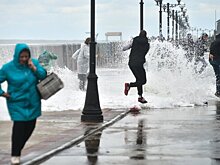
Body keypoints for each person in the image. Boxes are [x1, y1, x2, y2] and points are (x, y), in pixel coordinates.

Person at [0, 43, 47, 164]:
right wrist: (3, 93)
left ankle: (17, 149)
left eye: (26, 56)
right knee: (19, 128)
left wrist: (33, 68)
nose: (24, 59)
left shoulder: (34, 63)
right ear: (16, 56)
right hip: (17, 103)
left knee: (30, 127)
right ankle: (15, 154)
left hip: (33, 102)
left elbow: (43, 75)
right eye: (22, 57)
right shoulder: (7, 68)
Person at [122, 30, 150, 104]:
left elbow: (124, 48)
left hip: (132, 63)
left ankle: (140, 97)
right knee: (143, 81)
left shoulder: (134, 40)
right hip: (139, 64)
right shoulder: (147, 44)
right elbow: (144, 53)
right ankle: (130, 86)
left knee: (139, 80)